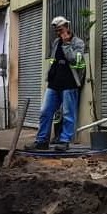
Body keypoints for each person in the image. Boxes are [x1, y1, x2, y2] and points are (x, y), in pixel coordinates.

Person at [29, 16, 86, 152]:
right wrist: (49, 75)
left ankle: (64, 141)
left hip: (70, 83)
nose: (59, 33)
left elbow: (75, 60)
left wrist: (66, 44)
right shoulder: (56, 42)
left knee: (68, 113)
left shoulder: (78, 43)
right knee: (45, 111)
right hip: (54, 83)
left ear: (67, 27)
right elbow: (53, 60)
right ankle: (42, 141)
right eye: (57, 31)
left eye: (60, 30)